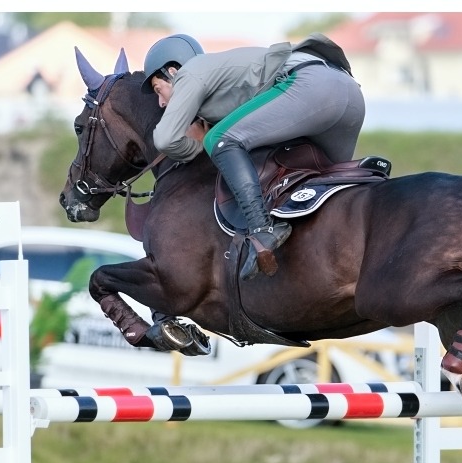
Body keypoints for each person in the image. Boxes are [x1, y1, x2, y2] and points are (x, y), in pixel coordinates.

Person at [141, 32, 365, 280]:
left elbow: (164, 138)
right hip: (349, 95)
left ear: (173, 71)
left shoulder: (190, 73)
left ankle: (261, 228)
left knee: (220, 139)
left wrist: (201, 144)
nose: (160, 102)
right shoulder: (219, 81)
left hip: (311, 85)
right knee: (331, 197)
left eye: (157, 89)